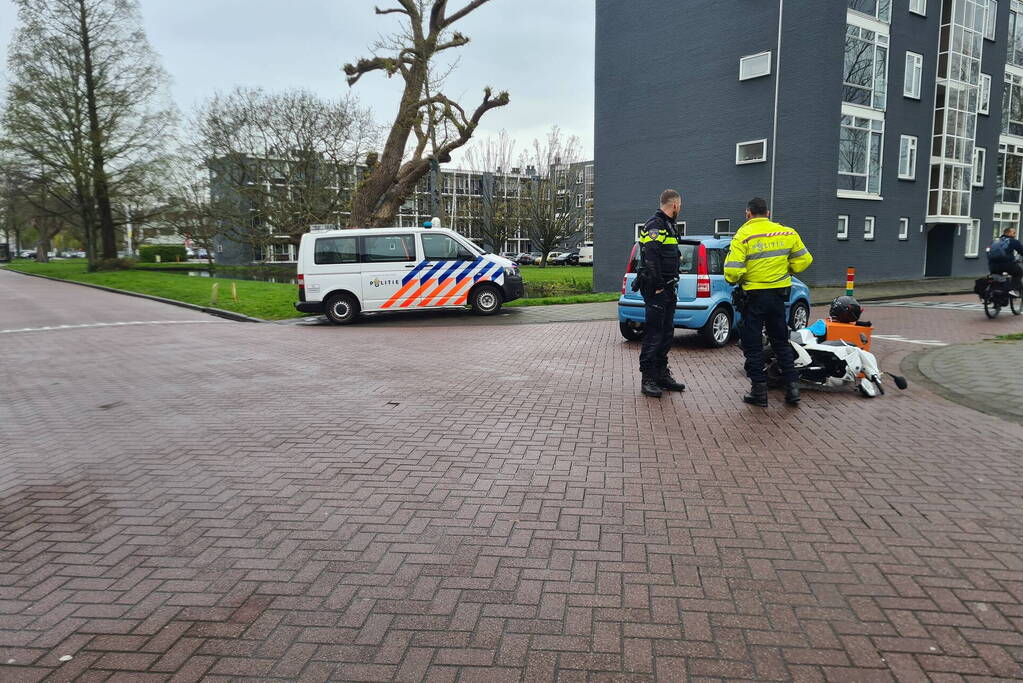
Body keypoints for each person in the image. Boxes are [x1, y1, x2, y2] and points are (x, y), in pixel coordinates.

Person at [724, 197, 813, 407]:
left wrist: (741, 278)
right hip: (777, 297)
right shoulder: (787, 233)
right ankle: (792, 390)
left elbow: (732, 271)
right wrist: (787, 271)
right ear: (768, 213)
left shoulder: (743, 236)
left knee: (753, 345)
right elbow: (805, 259)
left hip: (754, 298)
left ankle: (759, 392)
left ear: (748, 214)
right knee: (781, 342)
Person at [637, 189, 686, 398]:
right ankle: (647, 378)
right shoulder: (655, 225)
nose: (680, 209)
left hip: (668, 287)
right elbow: (651, 256)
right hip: (657, 289)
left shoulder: (668, 225)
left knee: (666, 333)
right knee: (654, 334)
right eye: (680, 206)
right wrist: (657, 285)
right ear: (674, 204)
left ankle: (661, 374)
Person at [987, 227, 1023, 296]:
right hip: (1007, 265)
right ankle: (1014, 289)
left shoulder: (995, 240)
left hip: (992, 266)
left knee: (997, 279)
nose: (1015, 235)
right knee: (1018, 272)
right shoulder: (1012, 241)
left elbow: (989, 251)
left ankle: (995, 300)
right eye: (1014, 233)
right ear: (1008, 233)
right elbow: (1021, 251)